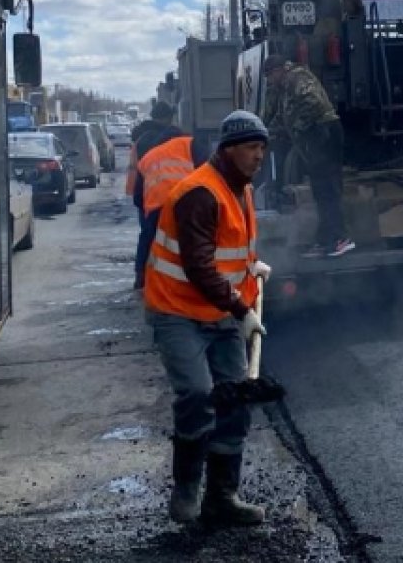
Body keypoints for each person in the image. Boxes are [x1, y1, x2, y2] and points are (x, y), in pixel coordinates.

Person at [143, 110, 271, 527]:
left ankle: (222, 497)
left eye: (262, 148)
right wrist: (243, 311)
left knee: (234, 399)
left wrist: (252, 269)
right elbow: (199, 267)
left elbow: (229, 249)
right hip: (177, 310)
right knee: (197, 394)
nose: (259, 156)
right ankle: (185, 490)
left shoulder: (241, 188)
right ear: (229, 149)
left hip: (217, 315)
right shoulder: (199, 192)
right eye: (252, 148)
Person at [262, 54, 354, 257]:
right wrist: (267, 131)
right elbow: (283, 115)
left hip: (323, 133)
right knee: (320, 190)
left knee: (328, 189)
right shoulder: (286, 88)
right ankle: (326, 240)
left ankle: (340, 239)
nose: (269, 81)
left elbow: (312, 103)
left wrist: (297, 127)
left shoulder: (297, 77)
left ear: (278, 70)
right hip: (316, 137)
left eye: (269, 76)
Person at [134, 133, 210, 288]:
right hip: (186, 200)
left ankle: (141, 277)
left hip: (157, 208)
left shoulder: (147, 158)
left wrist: (148, 214)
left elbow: (137, 198)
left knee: (148, 238)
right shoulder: (191, 144)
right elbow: (208, 172)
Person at [128, 101, 182, 287]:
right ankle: (171, 276)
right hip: (174, 193)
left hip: (145, 193)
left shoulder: (140, 138)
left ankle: (141, 275)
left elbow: (139, 168)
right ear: (168, 118)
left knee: (147, 234)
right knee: (176, 236)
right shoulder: (174, 138)